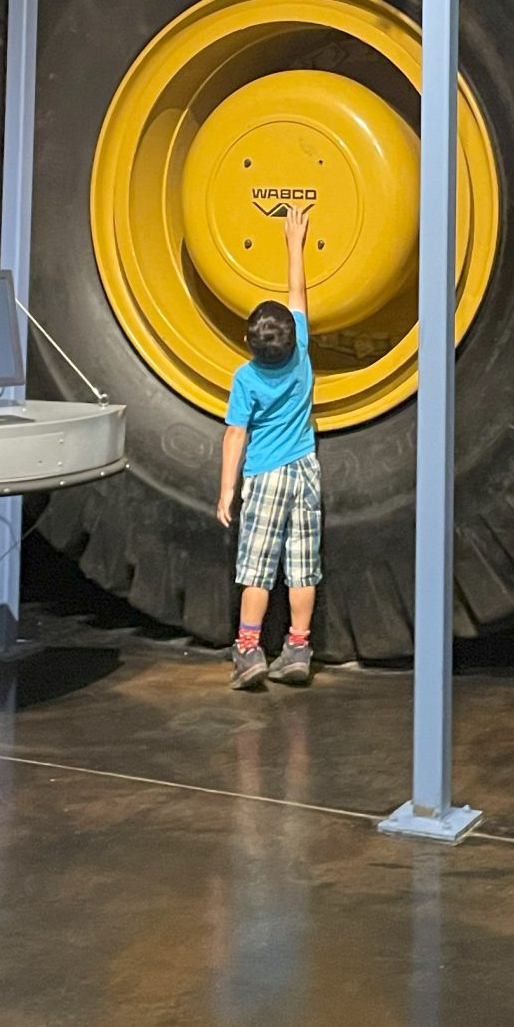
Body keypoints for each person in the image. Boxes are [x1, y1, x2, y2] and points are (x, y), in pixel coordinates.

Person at [217, 200, 319, 689]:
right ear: (291, 335)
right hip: (306, 471)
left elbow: (235, 434)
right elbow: (297, 293)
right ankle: (298, 646)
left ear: (248, 341)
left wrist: (226, 491)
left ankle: (248, 650)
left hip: (266, 474)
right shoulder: (300, 350)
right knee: (302, 565)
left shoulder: (246, 377)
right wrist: (293, 243)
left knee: (257, 566)